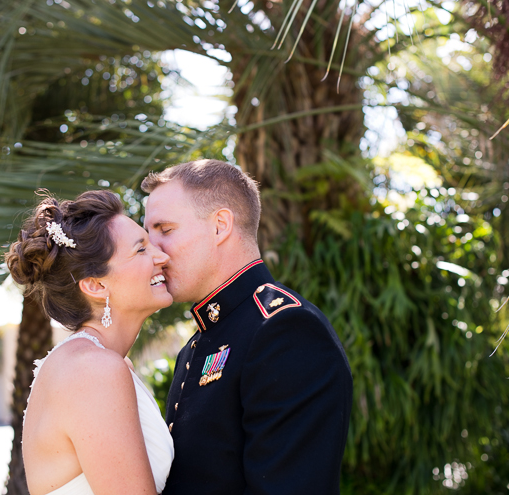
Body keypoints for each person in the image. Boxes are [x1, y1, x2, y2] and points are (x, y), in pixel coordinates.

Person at [142, 159, 353, 494]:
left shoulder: (286, 330)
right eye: (147, 234)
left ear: (220, 225)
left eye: (165, 230)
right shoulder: (199, 342)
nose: (154, 252)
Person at [5, 189, 174, 495]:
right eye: (141, 250)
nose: (162, 257)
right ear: (96, 285)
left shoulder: (97, 363)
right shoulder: (93, 371)